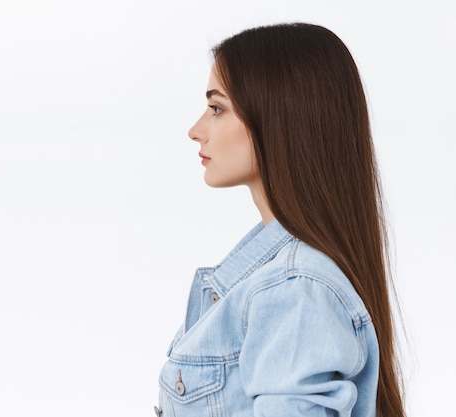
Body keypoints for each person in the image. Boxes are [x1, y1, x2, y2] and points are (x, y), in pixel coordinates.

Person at [155, 23, 405, 417]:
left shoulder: (295, 288)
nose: (196, 130)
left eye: (217, 108)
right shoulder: (278, 277)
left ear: (278, 117)